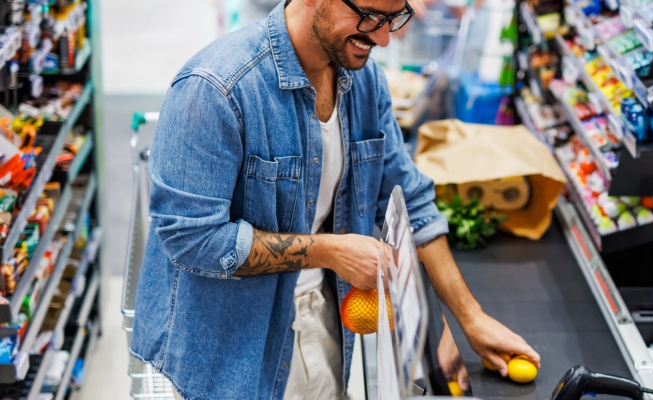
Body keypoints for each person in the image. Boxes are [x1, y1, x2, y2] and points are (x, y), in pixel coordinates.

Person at [129, 0, 540, 398]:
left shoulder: (363, 80)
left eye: (394, 18)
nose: (382, 38)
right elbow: (195, 241)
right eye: (368, 16)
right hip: (230, 349)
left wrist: (469, 317)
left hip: (323, 319)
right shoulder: (215, 89)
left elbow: (407, 195)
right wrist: (331, 252)